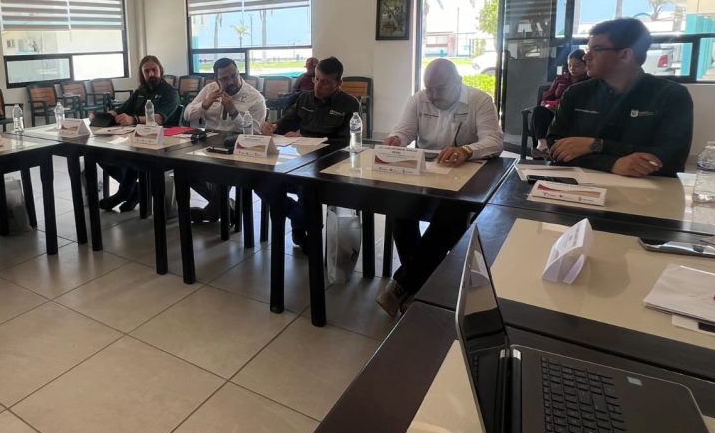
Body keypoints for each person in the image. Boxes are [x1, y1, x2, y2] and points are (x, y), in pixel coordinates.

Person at [376, 58, 504, 317]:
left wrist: (466, 150)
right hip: (427, 174)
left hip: (466, 176)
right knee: (399, 208)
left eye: (440, 89)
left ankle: (405, 282)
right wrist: (396, 139)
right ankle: (419, 284)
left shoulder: (479, 100)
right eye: (429, 89)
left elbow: (494, 141)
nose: (433, 96)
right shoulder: (419, 99)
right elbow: (404, 131)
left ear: (458, 82)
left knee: (450, 216)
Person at [547, 17, 693, 177]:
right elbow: (555, 148)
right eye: (588, 49)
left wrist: (597, 145)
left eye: (596, 49)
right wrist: (611, 164)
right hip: (581, 184)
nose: (586, 57)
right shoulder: (576, 93)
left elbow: (672, 160)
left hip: (646, 187)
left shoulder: (671, 95)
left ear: (625, 55)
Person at [257, 56, 360, 247]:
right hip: (299, 158)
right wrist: (273, 127)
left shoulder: (349, 104)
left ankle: (304, 228)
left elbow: (345, 143)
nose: (319, 85)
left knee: (306, 187)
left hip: (327, 163)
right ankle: (301, 220)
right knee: (260, 179)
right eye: (316, 79)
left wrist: (306, 137)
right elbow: (287, 122)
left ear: (339, 83)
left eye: (326, 82)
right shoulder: (304, 98)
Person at [183, 57, 266, 221]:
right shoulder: (210, 89)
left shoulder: (255, 98)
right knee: (183, 168)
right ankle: (226, 208)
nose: (231, 81)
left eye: (234, 75)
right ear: (216, 79)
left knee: (224, 170)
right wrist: (204, 105)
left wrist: (234, 112)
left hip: (236, 148)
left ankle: (212, 212)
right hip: (208, 144)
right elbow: (187, 114)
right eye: (224, 79)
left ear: (239, 73)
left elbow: (255, 135)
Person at [98, 55, 181, 211]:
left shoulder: (170, 92)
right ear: (142, 74)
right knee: (101, 154)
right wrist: (101, 116)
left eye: (154, 70)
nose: (151, 74)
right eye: (146, 71)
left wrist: (134, 119)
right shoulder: (141, 91)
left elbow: (159, 118)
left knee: (133, 157)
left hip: (163, 143)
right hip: (136, 138)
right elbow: (122, 109)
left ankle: (124, 192)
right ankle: (134, 190)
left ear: (160, 70)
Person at [531, 49, 588, 153]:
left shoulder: (590, 82)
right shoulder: (561, 79)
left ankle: (554, 151)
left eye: (577, 65)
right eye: (569, 65)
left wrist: (557, 105)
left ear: (586, 65)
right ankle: (542, 146)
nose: (572, 69)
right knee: (539, 110)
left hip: (573, 115)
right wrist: (546, 105)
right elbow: (547, 98)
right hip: (553, 113)